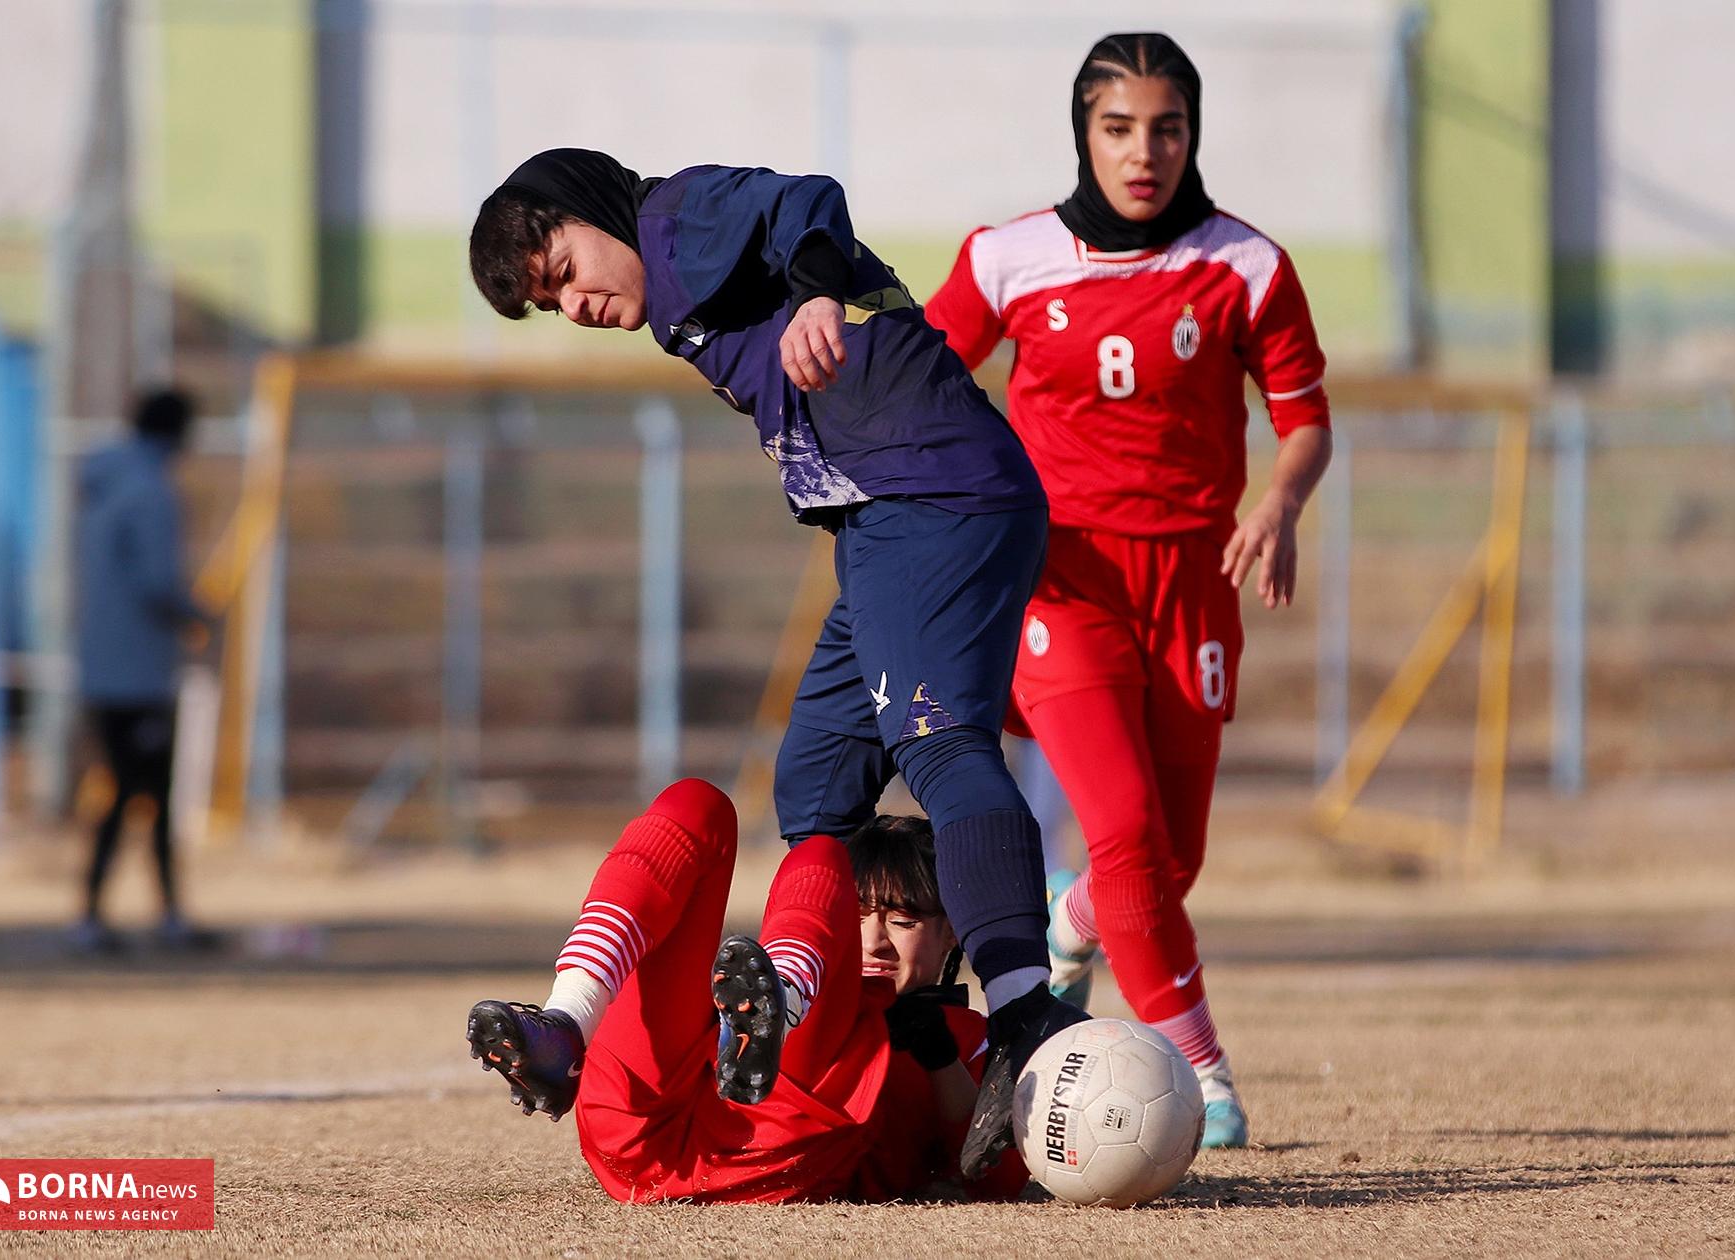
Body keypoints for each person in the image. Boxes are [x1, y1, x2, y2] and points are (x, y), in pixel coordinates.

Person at [467, 151, 1086, 1175]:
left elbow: (810, 203)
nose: (574, 304)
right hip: (883, 520)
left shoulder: (673, 219)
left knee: (939, 745)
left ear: (586, 211)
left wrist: (813, 294)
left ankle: (1024, 1011)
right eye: (550, 301)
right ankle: (839, 1010)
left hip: (930, 495)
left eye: (565, 268)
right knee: (817, 784)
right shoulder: (669, 286)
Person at [925, 32, 1334, 1149]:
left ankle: (1072, 920)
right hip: (1060, 580)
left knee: (1164, 859)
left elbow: (1303, 422)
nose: (1143, 152)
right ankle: (1200, 1075)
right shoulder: (1008, 258)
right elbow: (920, 382)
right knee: (1128, 828)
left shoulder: (1247, 265)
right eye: (1119, 129)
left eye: (1166, 128)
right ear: (1084, 135)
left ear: (1192, 135)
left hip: (1195, 579)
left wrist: (1280, 503)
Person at [464, 779, 1029, 1203]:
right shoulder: (790, 972)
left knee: (819, 854)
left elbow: (999, 1178)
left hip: (764, 1151)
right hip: (638, 1130)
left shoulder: (973, 1036)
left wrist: (939, 1061)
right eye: (851, 915)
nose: (874, 941)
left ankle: (775, 1018)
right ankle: (566, 1022)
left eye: (903, 921)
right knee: (696, 801)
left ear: (951, 929)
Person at [71, 386, 214, 951]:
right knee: (148, 792)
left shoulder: (101, 486)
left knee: (125, 789)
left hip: (100, 667)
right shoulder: (151, 493)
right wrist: (200, 615)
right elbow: (157, 584)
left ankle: (98, 912)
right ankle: (158, 914)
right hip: (141, 671)